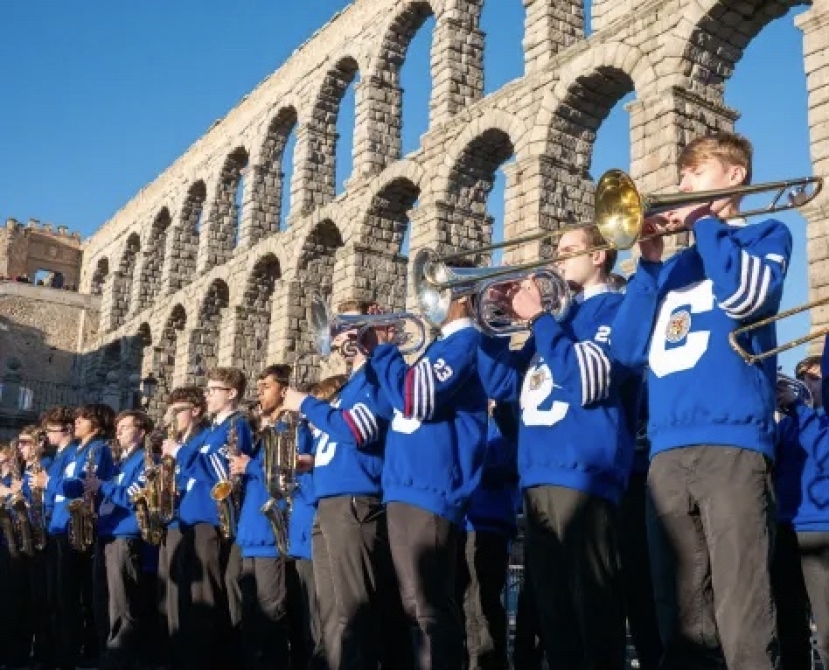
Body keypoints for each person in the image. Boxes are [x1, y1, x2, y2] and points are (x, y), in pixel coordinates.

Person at [610, 132, 793, 669]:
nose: (681, 184)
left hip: (732, 444)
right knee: (681, 614)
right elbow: (624, 352)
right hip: (667, 452)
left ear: (734, 177)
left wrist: (705, 222)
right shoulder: (669, 272)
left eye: (696, 173)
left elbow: (744, 297)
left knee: (743, 608)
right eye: (682, 175)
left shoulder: (765, 234)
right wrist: (647, 263)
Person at [478, 224, 638, 669]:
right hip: (537, 476)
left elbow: (586, 379)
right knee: (555, 618)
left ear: (600, 256)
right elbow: (501, 383)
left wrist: (538, 319)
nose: (558, 259)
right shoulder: (555, 321)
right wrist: (490, 319)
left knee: (594, 612)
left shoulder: (613, 309)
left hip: (584, 474)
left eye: (569, 250)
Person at [366, 289, 488, 670]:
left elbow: (415, 399)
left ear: (464, 298)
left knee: (429, 608)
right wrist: (376, 352)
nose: (428, 301)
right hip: (406, 487)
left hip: (430, 489)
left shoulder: (466, 342)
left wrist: (386, 350)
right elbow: (394, 404)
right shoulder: (436, 348)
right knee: (413, 607)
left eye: (441, 291)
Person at [282, 301, 406, 670]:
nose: (340, 337)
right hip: (328, 497)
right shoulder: (350, 386)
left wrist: (306, 403)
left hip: (355, 500)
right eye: (340, 329)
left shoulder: (379, 377)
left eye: (350, 327)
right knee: (331, 609)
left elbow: (359, 430)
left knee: (355, 607)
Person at [176, 367, 253, 670]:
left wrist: (182, 453)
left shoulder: (237, 426)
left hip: (212, 519)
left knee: (204, 597)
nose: (206, 395)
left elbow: (223, 472)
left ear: (231, 393)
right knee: (189, 597)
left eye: (212, 390)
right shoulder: (209, 431)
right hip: (191, 518)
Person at [227, 365, 294, 669]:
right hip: (249, 533)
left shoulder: (289, 427)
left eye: (265, 386)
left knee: (271, 613)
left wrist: (248, 466)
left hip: (269, 535)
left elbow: (285, 474)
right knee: (251, 613)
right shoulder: (263, 433)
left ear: (284, 390)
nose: (259, 392)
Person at [85, 410, 153, 670]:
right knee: (103, 599)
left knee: (121, 603)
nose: (119, 432)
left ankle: (121, 659)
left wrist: (102, 486)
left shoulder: (145, 460)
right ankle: (107, 653)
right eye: (118, 427)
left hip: (126, 535)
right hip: (107, 533)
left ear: (141, 431)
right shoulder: (119, 464)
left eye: (125, 427)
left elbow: (135, 495)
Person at [456, 401, 519, 670]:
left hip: (489, 524)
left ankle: (487, 662)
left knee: (482, 603)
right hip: (463, 524)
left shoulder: (505, 428)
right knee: (467, 605)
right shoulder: (470, 426)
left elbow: (505, 469)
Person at [158, 386, 210, 670]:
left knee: (197, 601)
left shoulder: (201, 439)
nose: (172, 416)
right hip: (175, 519)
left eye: (178, 411)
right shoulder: (178, 441)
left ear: (195, 411)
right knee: (172, 596)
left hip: (199, 519)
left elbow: (208, 472)